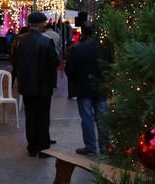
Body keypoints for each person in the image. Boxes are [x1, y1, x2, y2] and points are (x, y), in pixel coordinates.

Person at [10, 11, 59, 157]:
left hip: (26, 84)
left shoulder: (18, 40)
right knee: (43, 116)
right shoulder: (47, 41)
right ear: (40, 24)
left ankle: (32, 147)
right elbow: (54, 62)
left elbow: (13, 61)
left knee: (30, 116)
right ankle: (43, 148)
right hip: (44, 85)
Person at [65, 21, 112, 156]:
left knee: (87, 118)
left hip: (83, 87)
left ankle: (90, 146)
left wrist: (76, 81)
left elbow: (70, 70)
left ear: (82, 32)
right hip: (100, 87)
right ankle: (104, 145)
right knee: (102, 116)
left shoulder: (77, 49)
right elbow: (109, 65)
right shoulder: (102, 48)